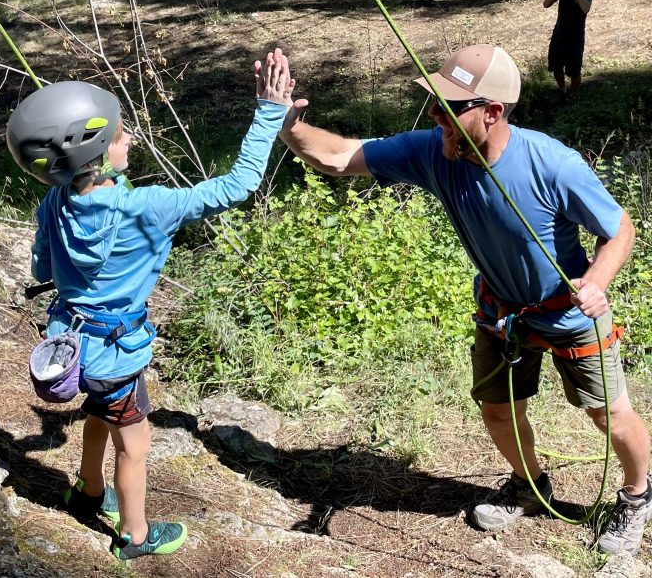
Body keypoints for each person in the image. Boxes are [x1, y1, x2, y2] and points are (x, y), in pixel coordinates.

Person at [272, 44, 652, 554]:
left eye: (449, 108)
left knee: (608, 413)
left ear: (492, 112)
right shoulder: (436, 150)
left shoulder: (552, 165)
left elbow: (619, 228)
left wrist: (598, 281)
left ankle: (637, 495)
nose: (435, 116)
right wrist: (288, 127)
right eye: (434, 104)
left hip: (568, 311)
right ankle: (529, 486)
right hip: (502, 313)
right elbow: (341, 157)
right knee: (498, 411)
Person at [6, 49, 294, 561]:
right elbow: (238, 185)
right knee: (133, 445)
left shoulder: (53, 200)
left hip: (72, 346)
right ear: (96, 152)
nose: (131, 138)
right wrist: (269, 112)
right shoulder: (149, 208)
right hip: (116, 354)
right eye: (120, 134)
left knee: (99, 413)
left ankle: (89, 490)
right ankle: (135, 537)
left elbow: (41, 271)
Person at [543, 0, 592, 103]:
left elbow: (586, 8)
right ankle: (563, 90)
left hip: (575, 37)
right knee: (556, 66)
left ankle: (574, 93)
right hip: (559, 34)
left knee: (574, 70)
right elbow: (546, 4)